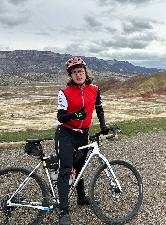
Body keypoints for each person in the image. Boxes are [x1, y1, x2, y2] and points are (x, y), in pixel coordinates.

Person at [55, 57, 109, 225]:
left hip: (82, 135)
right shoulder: (64, 92)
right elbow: (60, 117)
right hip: (66, 134)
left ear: (85, 72)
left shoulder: (95, 89)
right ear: (71, 75)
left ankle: (81, 197)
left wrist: (103, 125)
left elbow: (99, 108)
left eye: (80, 71)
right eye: (74, 72)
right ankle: (63, 211)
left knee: (80, 168)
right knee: (65, 170)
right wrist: (74, 115)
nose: (78, 74)